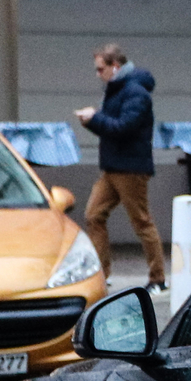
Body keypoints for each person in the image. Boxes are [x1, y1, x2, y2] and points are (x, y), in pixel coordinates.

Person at [76, 43, 165, 290]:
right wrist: (93, 121)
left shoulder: (135, 92)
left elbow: (123, 127)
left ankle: (158, 278)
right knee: (93, 215)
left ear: (115, 67)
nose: (98, 74)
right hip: (114, 167)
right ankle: (102, 275)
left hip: (131, 168)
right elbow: (114, 126)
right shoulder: (118, 89)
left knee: (141, 222)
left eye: (101, 69)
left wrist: (94, 118)